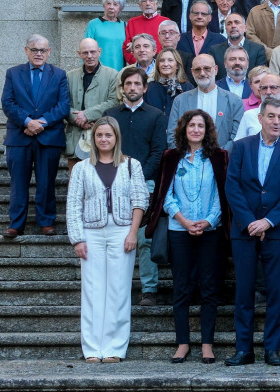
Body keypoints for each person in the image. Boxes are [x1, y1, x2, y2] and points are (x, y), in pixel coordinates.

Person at [225, 98, 280, 367]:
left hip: (278, 230)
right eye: (271, 116)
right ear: (260, 118)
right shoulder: (241, 147)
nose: (276, 122)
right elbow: (232, 186)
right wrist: (250, 222)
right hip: (244, 230)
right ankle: (243, 349)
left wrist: (268, 221)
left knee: (276, 291)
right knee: (244, 291)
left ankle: (272, 349)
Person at [147, 110, 228, 364]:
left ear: (207, 130)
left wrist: (207, 221)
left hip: (210, 230)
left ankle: (206, 344)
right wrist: (183, 220)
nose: (195, 130)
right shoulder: (172, 157)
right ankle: (183, 343)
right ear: (183, 129)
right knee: (181, 287)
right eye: (191, 125)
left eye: (200, 126)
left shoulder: (218, 157)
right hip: (179, 230)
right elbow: (165, 194)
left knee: (208, 287)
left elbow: (221, 194)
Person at [66, 116, 148, 363]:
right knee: (92, 289)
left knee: (119, 289)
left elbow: (140, 201)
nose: (103, 139)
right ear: (93, 138)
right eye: (99, 135)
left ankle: (114, 348)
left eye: (108, 135)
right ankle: (92, 348)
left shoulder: (131, 165)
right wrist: (77, 239)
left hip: (122, 231)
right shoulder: (81, 168)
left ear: (116, 138)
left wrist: (133, 233)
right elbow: (72, 205)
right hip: (91, 232)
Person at [103, 67, 167, 306]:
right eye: (128, 84)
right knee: (115, 235)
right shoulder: (110, 115)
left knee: (143, 238)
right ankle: (117, 287)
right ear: (122, 88)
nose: (132, 88)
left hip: (145, 183)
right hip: (112, 182)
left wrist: (138, 177)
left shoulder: (155, 116)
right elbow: (104, 148)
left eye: (137, 84)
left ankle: (149, 288)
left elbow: (158, 152)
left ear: (145, 88)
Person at [1, 35, 69, 237]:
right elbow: (8, 102)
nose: (38, 53)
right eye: (34, 49)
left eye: (42, 50)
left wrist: (42, 123)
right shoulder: (13, 73)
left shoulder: (59, 75)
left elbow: (63, 105)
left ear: (49, 52)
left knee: (47, 182)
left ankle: (46, 222)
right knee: (18, 183)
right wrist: (27, 121)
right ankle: (16, 224)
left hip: (49, 138)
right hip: (19, 137)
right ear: (26, 51)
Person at [168, 54, 245, 152]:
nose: (202, 73)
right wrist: (189, 157)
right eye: (197, 70)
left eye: (207, 68)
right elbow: (172, 135)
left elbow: (237, 137)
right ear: (192, 72)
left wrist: (219, 157)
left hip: (222, 163)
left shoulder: (234, 101)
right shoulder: (180, 101)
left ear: (216, 70)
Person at [64, 39, 119, 172]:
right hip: (75, 136)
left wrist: (87, 115)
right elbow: (63, 104)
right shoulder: (69, 76)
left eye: (93, 52)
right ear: (79, 54)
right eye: (85, 52)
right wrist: (78, 120)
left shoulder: (113, 75)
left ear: (99, 52)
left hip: (102, 137)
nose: (89, 56)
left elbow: (114, 102)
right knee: (75, 182)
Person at [144, 48, 193, 119]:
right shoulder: (149, 87)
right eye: (162, 61)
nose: (165, 64)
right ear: (158, 65)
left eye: (170, 60)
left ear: (177, 65)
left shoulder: (187, 87)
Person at [123, 0, 169, 64]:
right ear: (140, 5)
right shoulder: (132, 22)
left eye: (151, 1)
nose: (148, 4)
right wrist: (139, 63)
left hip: (161, 65)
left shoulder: (166, 22)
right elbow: (126, 48)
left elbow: (171, 45)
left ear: (156, 4)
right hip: (139, 66)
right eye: (144, 1)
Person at [84, 0, 127, 70]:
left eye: (115, 4)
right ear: (104, 6)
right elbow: (85, 48)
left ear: (120, 8)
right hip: (98, 71)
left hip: (119, 71)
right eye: (108, 3)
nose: (111, 7)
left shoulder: (125, 26)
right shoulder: (93, 24)